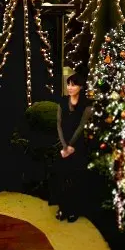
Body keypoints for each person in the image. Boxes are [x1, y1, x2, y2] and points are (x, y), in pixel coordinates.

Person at [55, 74, 93, 223]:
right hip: (62, 145)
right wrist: (64, 146)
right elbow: (58, 124)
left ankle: (73, 210)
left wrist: (71, 146)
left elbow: (81, 126)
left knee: (75, 178)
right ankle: (62, 208)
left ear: (81, 87)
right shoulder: (62, 102)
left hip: (77, 146)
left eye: (73, 85)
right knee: (62, 177)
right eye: (68, 84)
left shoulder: (86, 104)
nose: (70, 87)